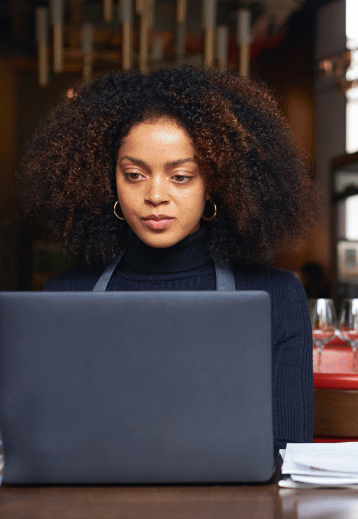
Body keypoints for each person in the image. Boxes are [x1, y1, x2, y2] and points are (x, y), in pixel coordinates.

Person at [19, 66, 318, 452]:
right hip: (96, 510)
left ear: (215, 181)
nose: (155, 195)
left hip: (232, 511)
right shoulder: (62, 296)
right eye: (134, 174)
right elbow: (45, 445)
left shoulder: (277, 297)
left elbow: (288, 451)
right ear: (106, 179)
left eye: (180, 176)